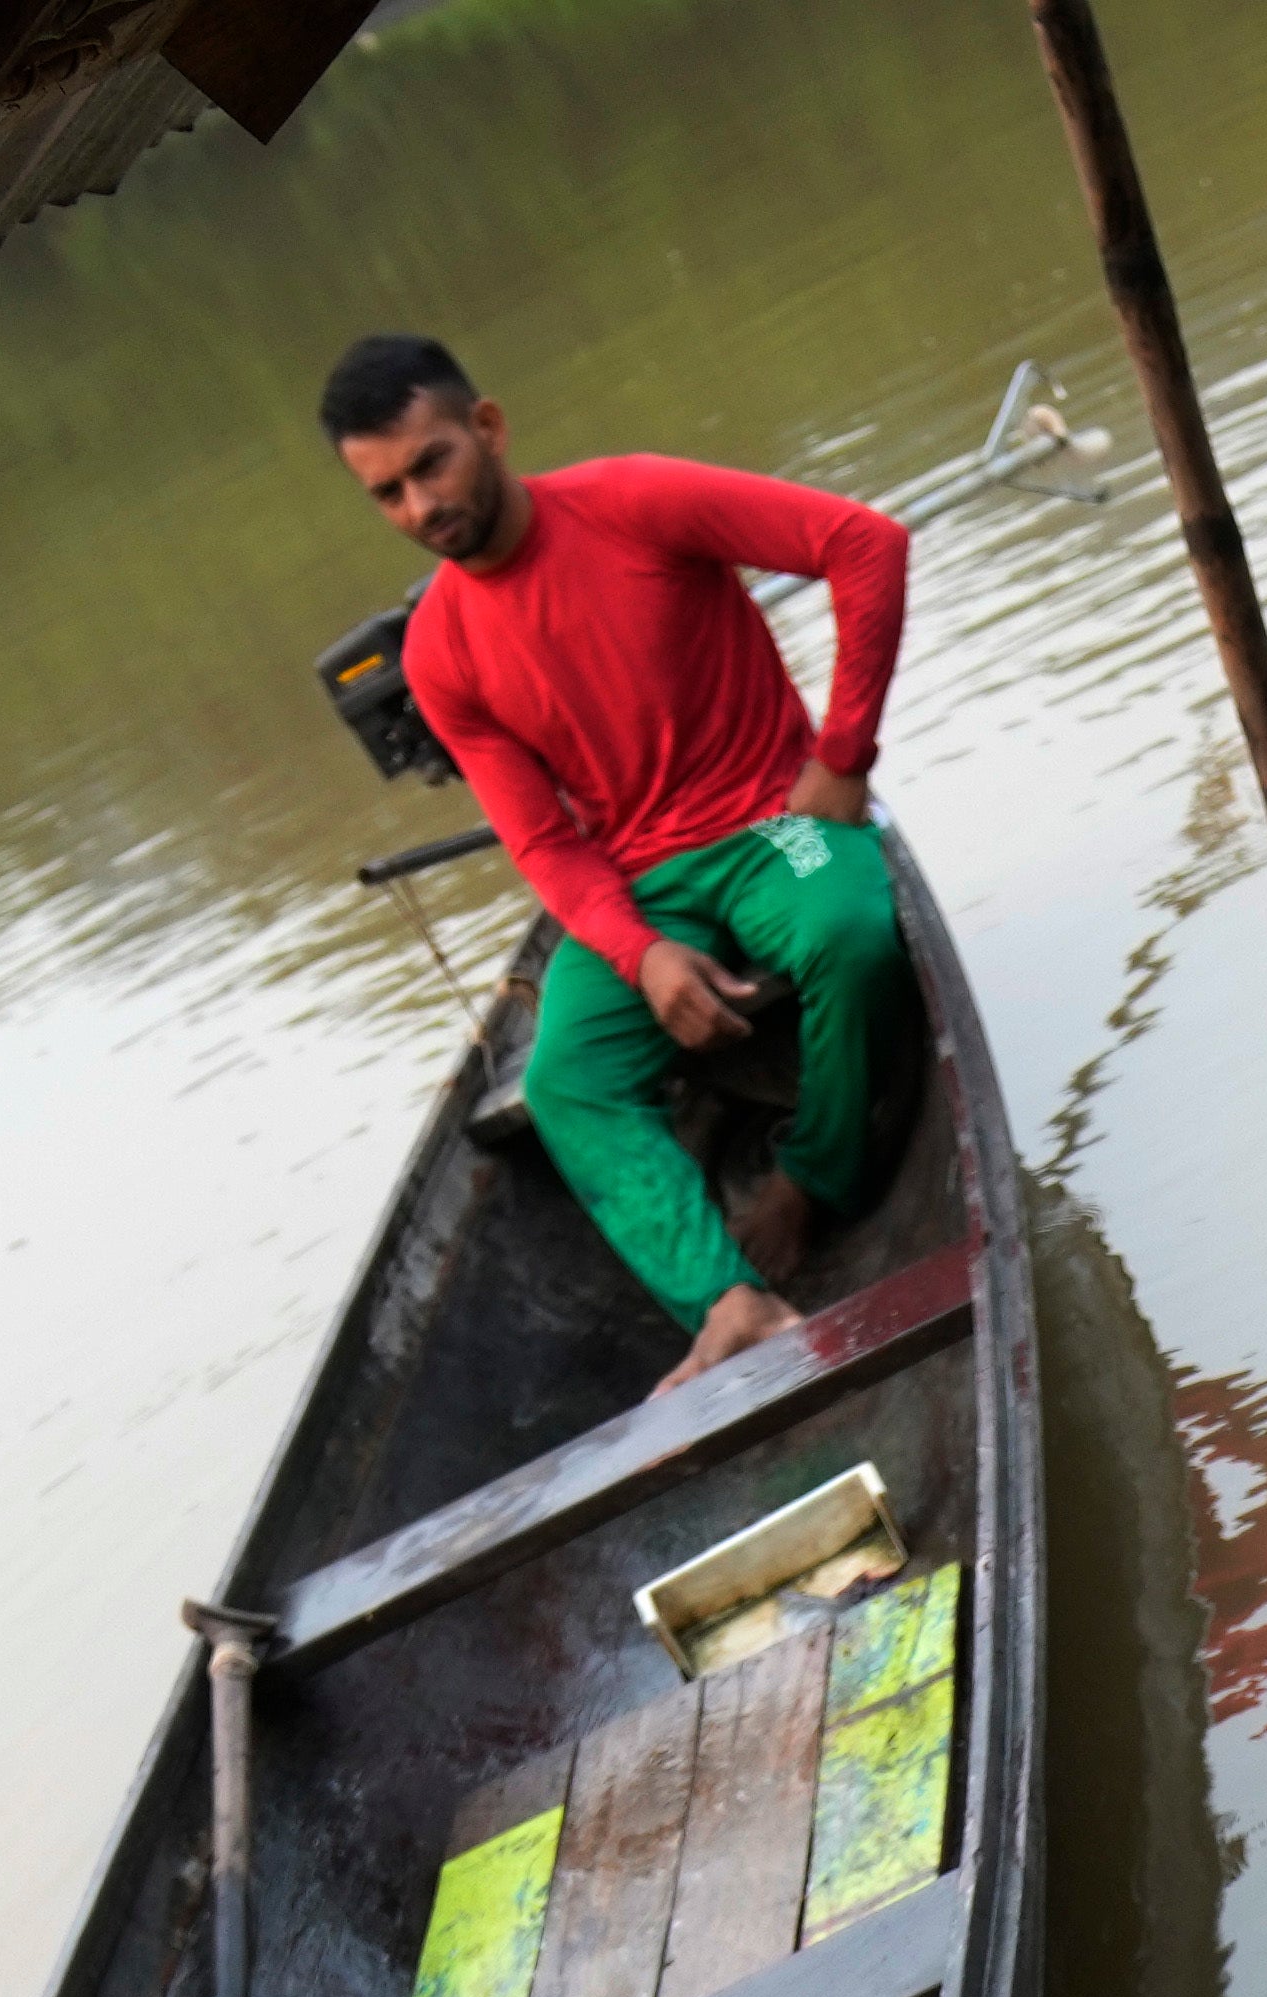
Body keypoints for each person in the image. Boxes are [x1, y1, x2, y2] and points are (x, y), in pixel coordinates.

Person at [321, 330, 922, 1372]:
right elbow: (546, 842)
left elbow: (864, 544)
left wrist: (842, 756)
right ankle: (729, 1302)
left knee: (852, 930)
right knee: (563, 1078)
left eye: (432, 465)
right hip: (644, 880)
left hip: (778, 825)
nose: (419, 509)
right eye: (387, 494)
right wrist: (639, 953)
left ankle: (808, 1181)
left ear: (490, 429)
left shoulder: (634, 498)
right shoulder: (440, 652)